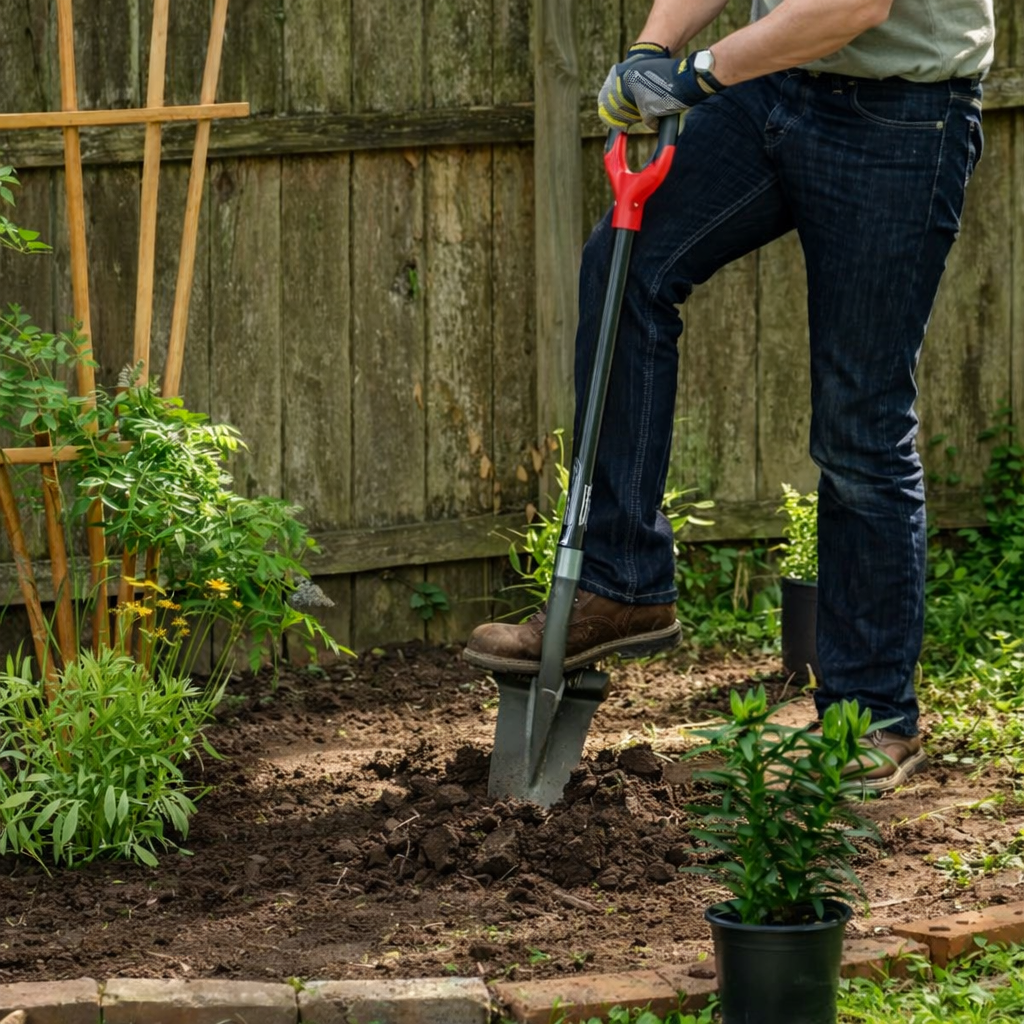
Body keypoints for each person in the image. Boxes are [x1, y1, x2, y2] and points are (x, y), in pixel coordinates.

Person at [465, 0, 994, 792]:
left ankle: (875, 713)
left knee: (860, 417)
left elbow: (851, 6)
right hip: (774, 89)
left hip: (902, 116)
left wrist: (698, 73)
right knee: (625, 270)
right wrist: (656, 44)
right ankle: (622, 584)